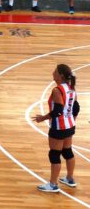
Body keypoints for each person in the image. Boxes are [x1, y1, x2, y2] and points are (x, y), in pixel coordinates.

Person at [32, 64, 80, 193]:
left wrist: (43, 118)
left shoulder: (57, 90)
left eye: (55, 71)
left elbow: (58, 111)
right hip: (70, 125)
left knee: (54, 154)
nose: (53, 72)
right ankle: (70, 179)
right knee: (67, 152)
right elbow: (76, 107)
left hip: (59, 127)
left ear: (60, 75)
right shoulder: (71, 88)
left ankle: (53, 184)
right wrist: (72, 119)